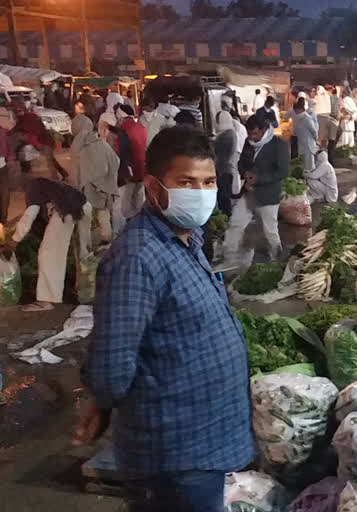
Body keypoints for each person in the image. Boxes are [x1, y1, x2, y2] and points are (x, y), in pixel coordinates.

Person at [76, 126, 253, 511]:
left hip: (203, 444)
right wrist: (103, 401)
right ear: (155, 187)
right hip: (173, 453)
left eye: (208, 182)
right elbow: (110, 365)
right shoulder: (138, 256)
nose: (202, 192)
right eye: (186, 182)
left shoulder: (187, 239)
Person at [2, 176, 88, 311]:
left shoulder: (32, 188)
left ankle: (46, 301)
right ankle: (82, 292)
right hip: (84, 206)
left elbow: (29, 216)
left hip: (66, 212)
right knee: (82, 252)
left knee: (48, 255)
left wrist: (14, 241)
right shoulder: (45, 184)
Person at [223, 112, 289, 266]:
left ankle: (276, 261)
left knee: (270, 231)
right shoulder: (248, 142)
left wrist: (258, 179)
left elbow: (283, 172)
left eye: (255, 134)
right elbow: (242, 162)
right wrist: (244, 172)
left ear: (265, 129)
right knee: (235, 224)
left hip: (267, 196)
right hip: (248, 194)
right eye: (249, 134)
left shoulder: (279, 145)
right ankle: (230, 259)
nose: (252, 137)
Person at [70, 114, 119, 247]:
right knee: (103, 212)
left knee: (85, 216)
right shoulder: (100, 142)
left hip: (86, 185)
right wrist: (107, 179)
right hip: (103, 184)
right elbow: (115, 160)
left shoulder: (77, 144)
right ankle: (107, 239)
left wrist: (74, 186)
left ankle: (86, 246)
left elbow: (75, 168)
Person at [112, 105, 148, 232]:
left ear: (120, 116)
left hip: (127, 172)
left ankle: (121, 231)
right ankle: (139, 226)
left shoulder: (122, 131)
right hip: (142, 169)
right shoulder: (142, 128)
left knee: (122, 203)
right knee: (139, 200)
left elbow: (118, 153)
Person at [214, 111, 239, 217]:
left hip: (223, 170)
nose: (216, 122)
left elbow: (218, 152)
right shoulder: (230, 132)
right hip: (226, 169)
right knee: (224, 196)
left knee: (223, 197)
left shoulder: (226, 135)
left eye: (217, 120)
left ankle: (226, 218)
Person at [293, 98, 319, 171]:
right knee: (303, 163)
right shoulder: (300, 118)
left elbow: (313, 130)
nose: (295, 113)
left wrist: (316, 139)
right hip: (302, 143)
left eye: (296, 111)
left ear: (299, 109)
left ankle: (311, 179)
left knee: (309, 164)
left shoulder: (307, 118)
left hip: (308, 144)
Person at [0, 128, 14, 225]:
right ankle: (3, 221)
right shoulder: (3, 132)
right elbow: (10, 150)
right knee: (4, 192)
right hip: (2, 165)